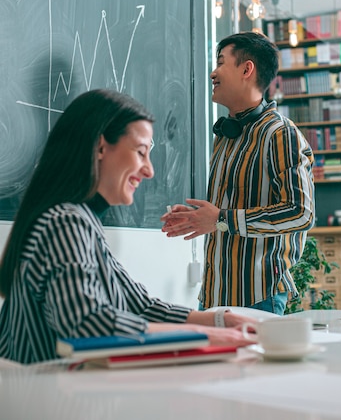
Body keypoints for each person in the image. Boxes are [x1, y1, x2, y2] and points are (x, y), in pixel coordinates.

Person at [0, 89, 255, 364]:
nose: (149, 170)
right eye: (141, 152)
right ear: (100, 147)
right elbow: (89, 325)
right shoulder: (65, 221)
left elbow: (140, 306)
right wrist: (204, 335)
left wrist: (221, 320)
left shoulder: (80, 220)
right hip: (44, 400)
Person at [161, 31, 315, 315]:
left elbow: (301, 212)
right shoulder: (227, 136)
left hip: (259, 296)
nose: (212, 73)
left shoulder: (280, 134)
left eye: (221, 63)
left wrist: (220, 218)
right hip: (213, 295)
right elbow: (222, 217)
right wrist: (201, 218)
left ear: (247, 69)